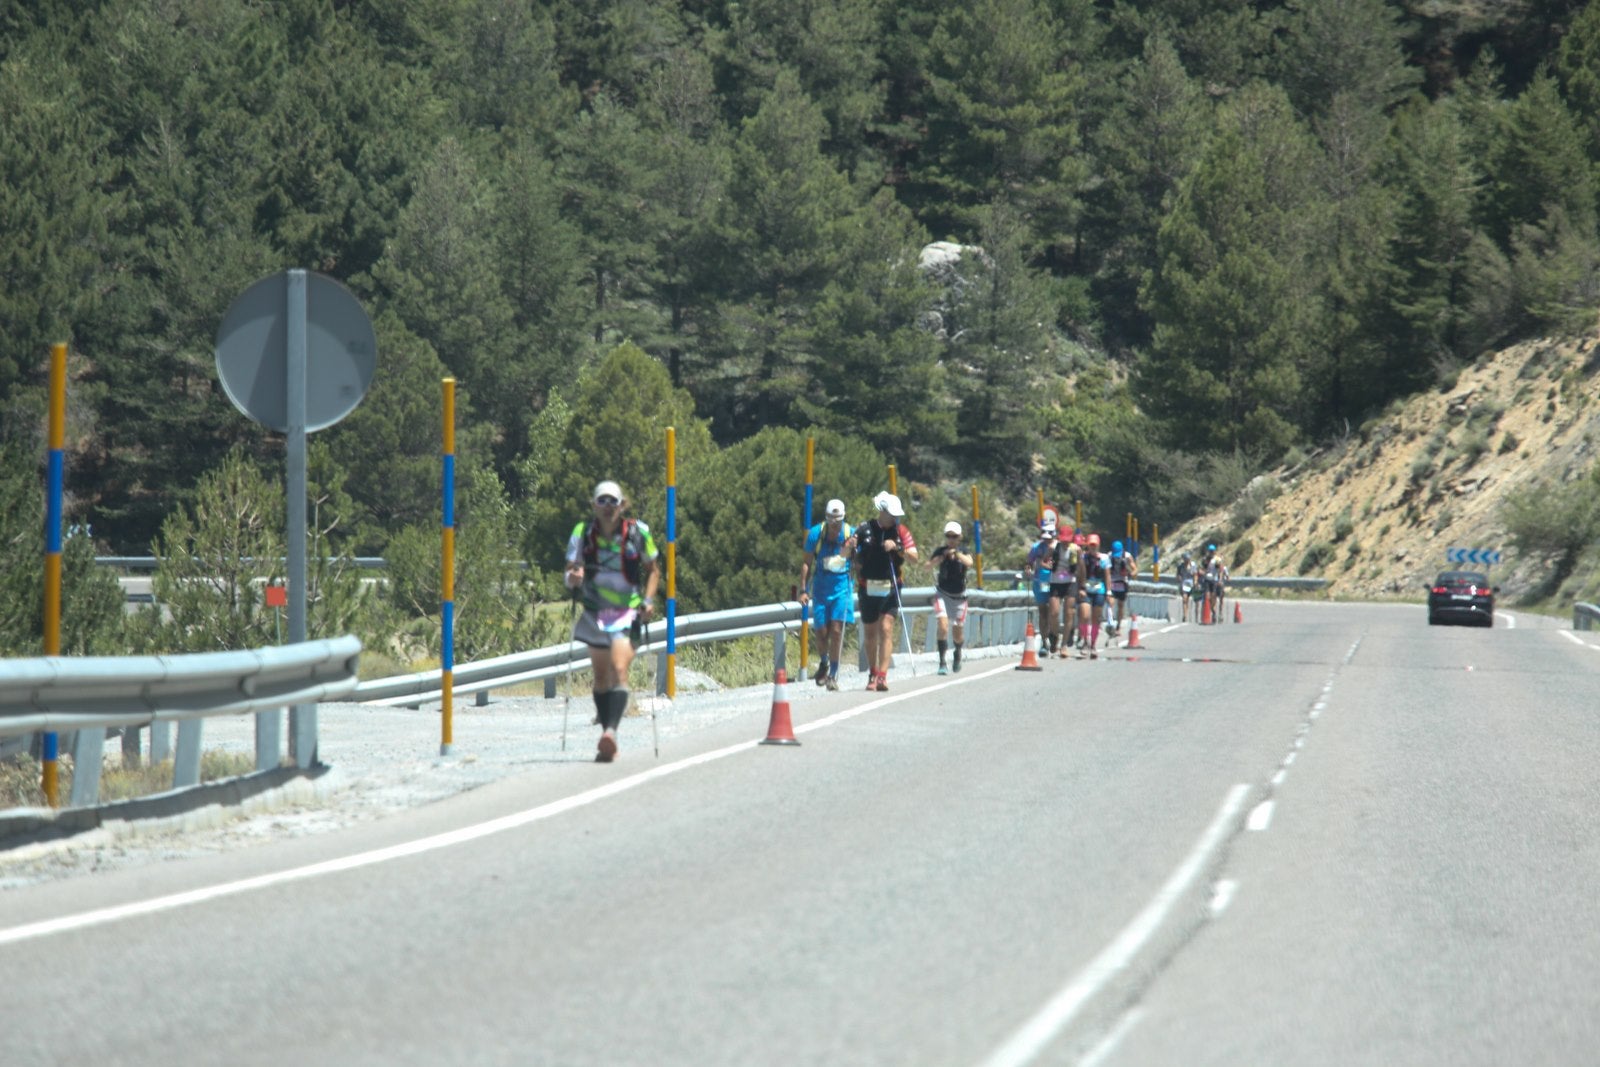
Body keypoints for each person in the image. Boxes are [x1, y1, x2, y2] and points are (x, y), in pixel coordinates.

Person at [564, 480, 660, 763]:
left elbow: (653, 570)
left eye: (613, 501)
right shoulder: (582, 534)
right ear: (594, 505)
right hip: (595, 613)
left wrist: (650, 600)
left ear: (622, 505)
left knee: (619, 668)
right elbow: (570, 573)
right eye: (602, 501)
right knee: (601, 676)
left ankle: (610, 733)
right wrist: (574, 578)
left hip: (627, 613)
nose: (607, 507)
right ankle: (607, 732)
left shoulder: (638, 533)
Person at [855, 492, 918, 691]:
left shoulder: (901, 531)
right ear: (882, 512)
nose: (894, 518)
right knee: (870, 633)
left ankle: (883, 675)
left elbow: (914, 557)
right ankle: (872, 672)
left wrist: (897, 547)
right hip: (867, 587)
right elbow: (851, 555)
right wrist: (849, 549)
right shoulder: (864, 529)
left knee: (887, 628)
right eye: (891, 514)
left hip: (891, 586)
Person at [800, 498, 856, 691]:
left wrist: (854, 550)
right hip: (821, 590)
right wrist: (803, 590)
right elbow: (806, 562)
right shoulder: (816, 534)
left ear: (843, 520)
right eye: (831, 522)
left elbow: (860, 562)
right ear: (826, 520)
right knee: (822, 632)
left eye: (838, 522)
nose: (834, 527)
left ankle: (833, 674)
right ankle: (823, 662)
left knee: (837, 630)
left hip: (842, 589)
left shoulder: (851, 534)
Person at [929, 520, 972, 674]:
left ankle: (957, 652)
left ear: (959, 537)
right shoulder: (940, 551)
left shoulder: (964, 551)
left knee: (957, 632)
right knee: (942, 625)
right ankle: (941, 661)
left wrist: (957, 554)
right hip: (942, 594)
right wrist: (941, 558)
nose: (951, 539)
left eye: (954, 536)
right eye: (948, 536)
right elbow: (927, 566)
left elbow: (970, 562)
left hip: (959, 596)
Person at [1023, 520, 1059, 654]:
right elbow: (1028, 562)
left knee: (1053, 611)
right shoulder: (1036, 547)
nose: (1046, 539)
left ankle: (1054, 636)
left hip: (1056, 583)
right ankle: (1044, 641)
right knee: (1043, 612)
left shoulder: (1059, 547)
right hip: (1040, 582)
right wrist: (1028, 569)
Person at [1049, 529, 1081, 658]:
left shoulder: (1076, 549)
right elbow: (1045, 561)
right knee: (1054, 612)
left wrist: (1081, 585)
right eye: (1064, 540)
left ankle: (1064, 645)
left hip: (1070, 583)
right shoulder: (1053, 547)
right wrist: (1049, 566)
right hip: (1055, 582)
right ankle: (1055, 636)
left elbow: (1081, 566)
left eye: (1068, 540)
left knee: (1069, 614)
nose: (1066, 543)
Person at [1076, 533, 1107, 659]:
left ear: (1098, 545)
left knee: (1096, 618)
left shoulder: (1104, 559)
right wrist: (1080, 588)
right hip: (1086, 590)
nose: (1093, 548)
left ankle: (1093, 645)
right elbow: (1078, 574)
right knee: (1084, 615)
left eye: (1095, 545)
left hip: (1099, 590)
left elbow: (1107, 576)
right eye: (1090, 545)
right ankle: (1084, 642)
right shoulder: (1082, 558)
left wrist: (1109, 592)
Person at [1107, 539, 1138, 637]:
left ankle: (1118, 626)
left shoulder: (1127, 556)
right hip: (1112, 582)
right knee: (1110, 603)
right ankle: (1110, 623)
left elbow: (1135, 569)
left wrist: (1131, 574)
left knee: (1120, 606)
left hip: (1122, 582)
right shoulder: (1109, 556)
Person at [1176, 550, 1198, 623]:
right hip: (1184, 584)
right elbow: (1178, 575)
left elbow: (1195, 574)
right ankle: (1185, 615)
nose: (1187, 561)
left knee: (1196, 600)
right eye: (1185, 559)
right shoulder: (1180, 566)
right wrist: (1179, 578)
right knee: (1185, 599)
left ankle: (1197, 615)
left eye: (1188, 559)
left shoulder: (1193, 565)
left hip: (1192, 584)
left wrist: (1195, 582)